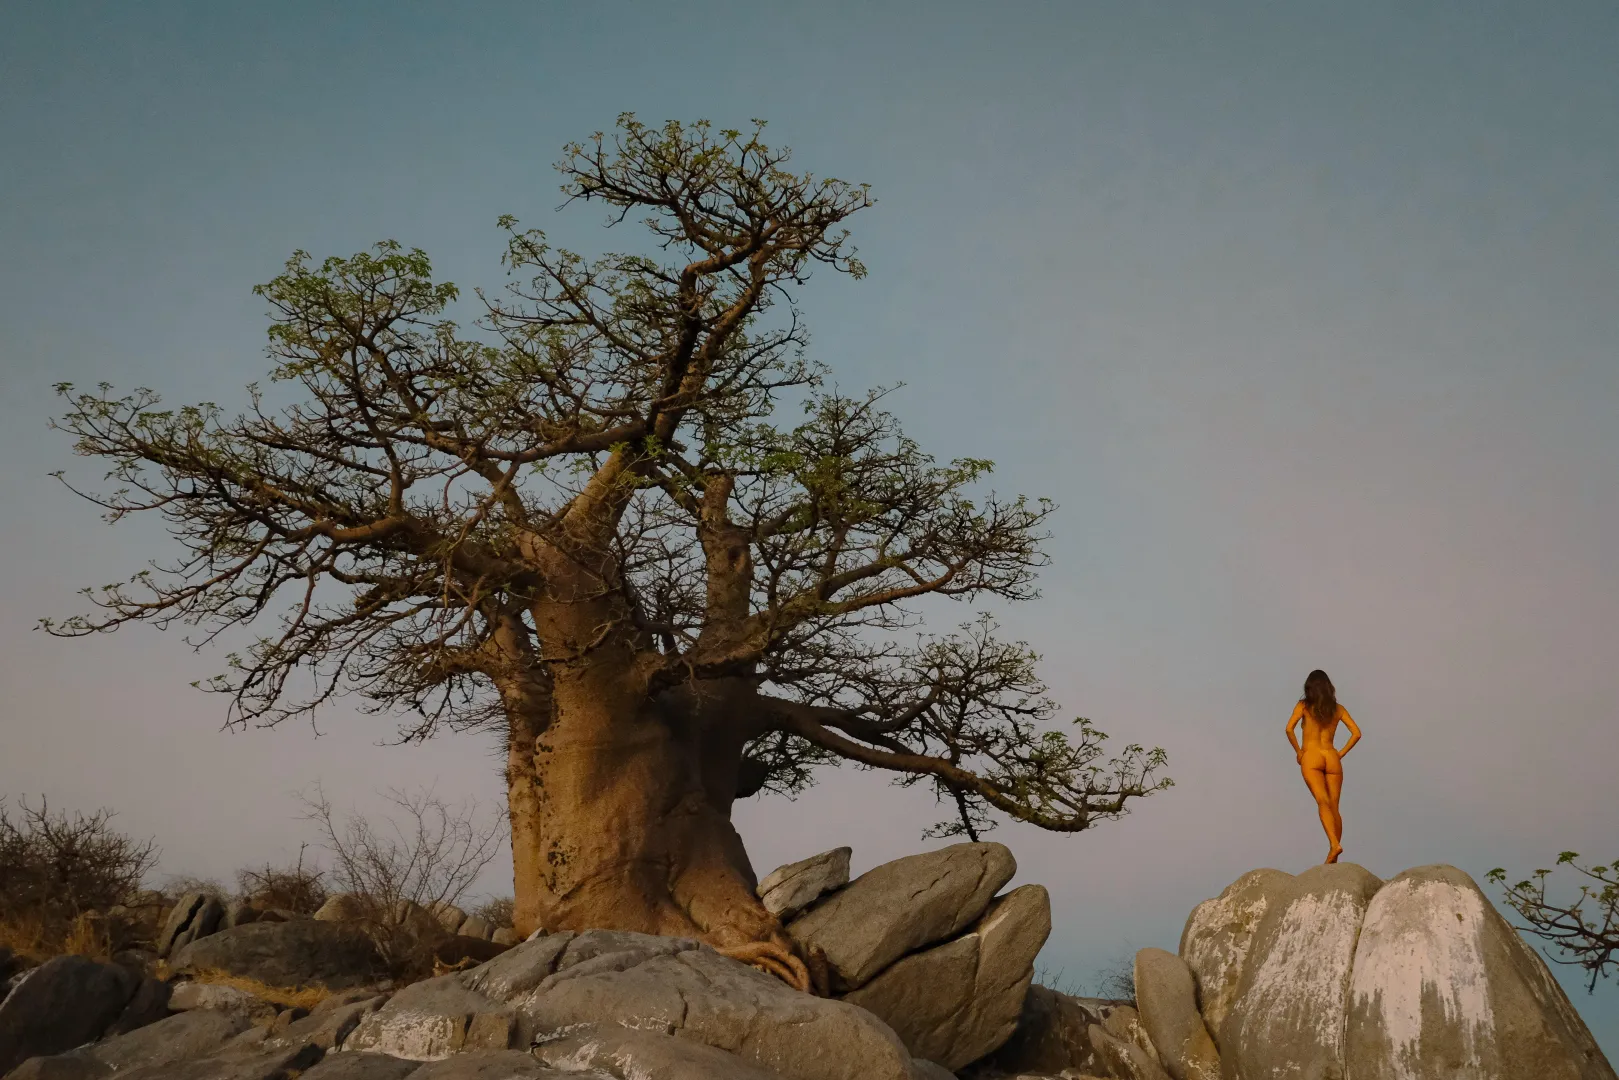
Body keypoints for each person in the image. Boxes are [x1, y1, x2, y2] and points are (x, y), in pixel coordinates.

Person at [1285, 669, 1362, 864]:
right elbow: (1356, 733)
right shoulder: (1338, 709)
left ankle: (1334, 845)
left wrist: (1299, 751)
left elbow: (1289, 729)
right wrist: (1341, 753)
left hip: (1311, 756)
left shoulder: (1303, 706)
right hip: (1331, 756)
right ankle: (1334, 853)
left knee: (1322, 801)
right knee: (1334, 805)